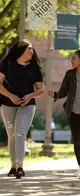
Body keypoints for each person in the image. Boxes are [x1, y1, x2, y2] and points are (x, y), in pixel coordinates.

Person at [48, 45, 80, 179]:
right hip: (72, 112)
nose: (72, 60)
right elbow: (64, 91)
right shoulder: (70, 74)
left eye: (74, 58)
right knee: (77, 140)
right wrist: (55, 94)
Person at [0, 39, 44, 179]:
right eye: (29, 49)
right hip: (7, 104)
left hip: (27, 105)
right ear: (21, 50)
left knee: (20, 133)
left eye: (31, 49)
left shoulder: (34, 67)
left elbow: (41, 89)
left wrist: (30, 96)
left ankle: (20, 166)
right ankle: (13, 165)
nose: (32, 51)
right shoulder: (7, 64)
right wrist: (10, 96)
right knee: (12, 134)